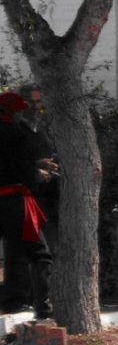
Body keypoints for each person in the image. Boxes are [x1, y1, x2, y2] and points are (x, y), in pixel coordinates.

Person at [0, 89, 58, 319]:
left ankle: (13, 301)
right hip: (16, 200)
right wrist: (39, 173)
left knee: (14, 252)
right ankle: (43, 308)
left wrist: (35, 163)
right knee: (40, 255)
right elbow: (21, 169)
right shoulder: (16, 132)